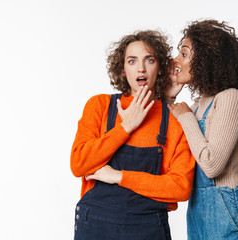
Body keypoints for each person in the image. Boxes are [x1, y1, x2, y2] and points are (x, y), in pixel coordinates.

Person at [70, 30, 195, 240]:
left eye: (150, 60)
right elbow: (79, 163)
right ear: (122, 68)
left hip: (148, 229)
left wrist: (118, 177)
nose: (141, 68)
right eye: (132, 61)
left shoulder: (175, 117)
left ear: (160, 67)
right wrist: (125, 127)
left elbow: (180, 188)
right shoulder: (100, 106)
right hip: (96, 228)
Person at [166, 19, 238, 239]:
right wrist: (171, 96)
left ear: (206, 59)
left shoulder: (231, 99)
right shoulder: (199, 105)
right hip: (198, 210)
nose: (176, 60)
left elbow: (212, 165)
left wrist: (187, 118)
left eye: (184, 54)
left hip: (227, 207)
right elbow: (166, 140)